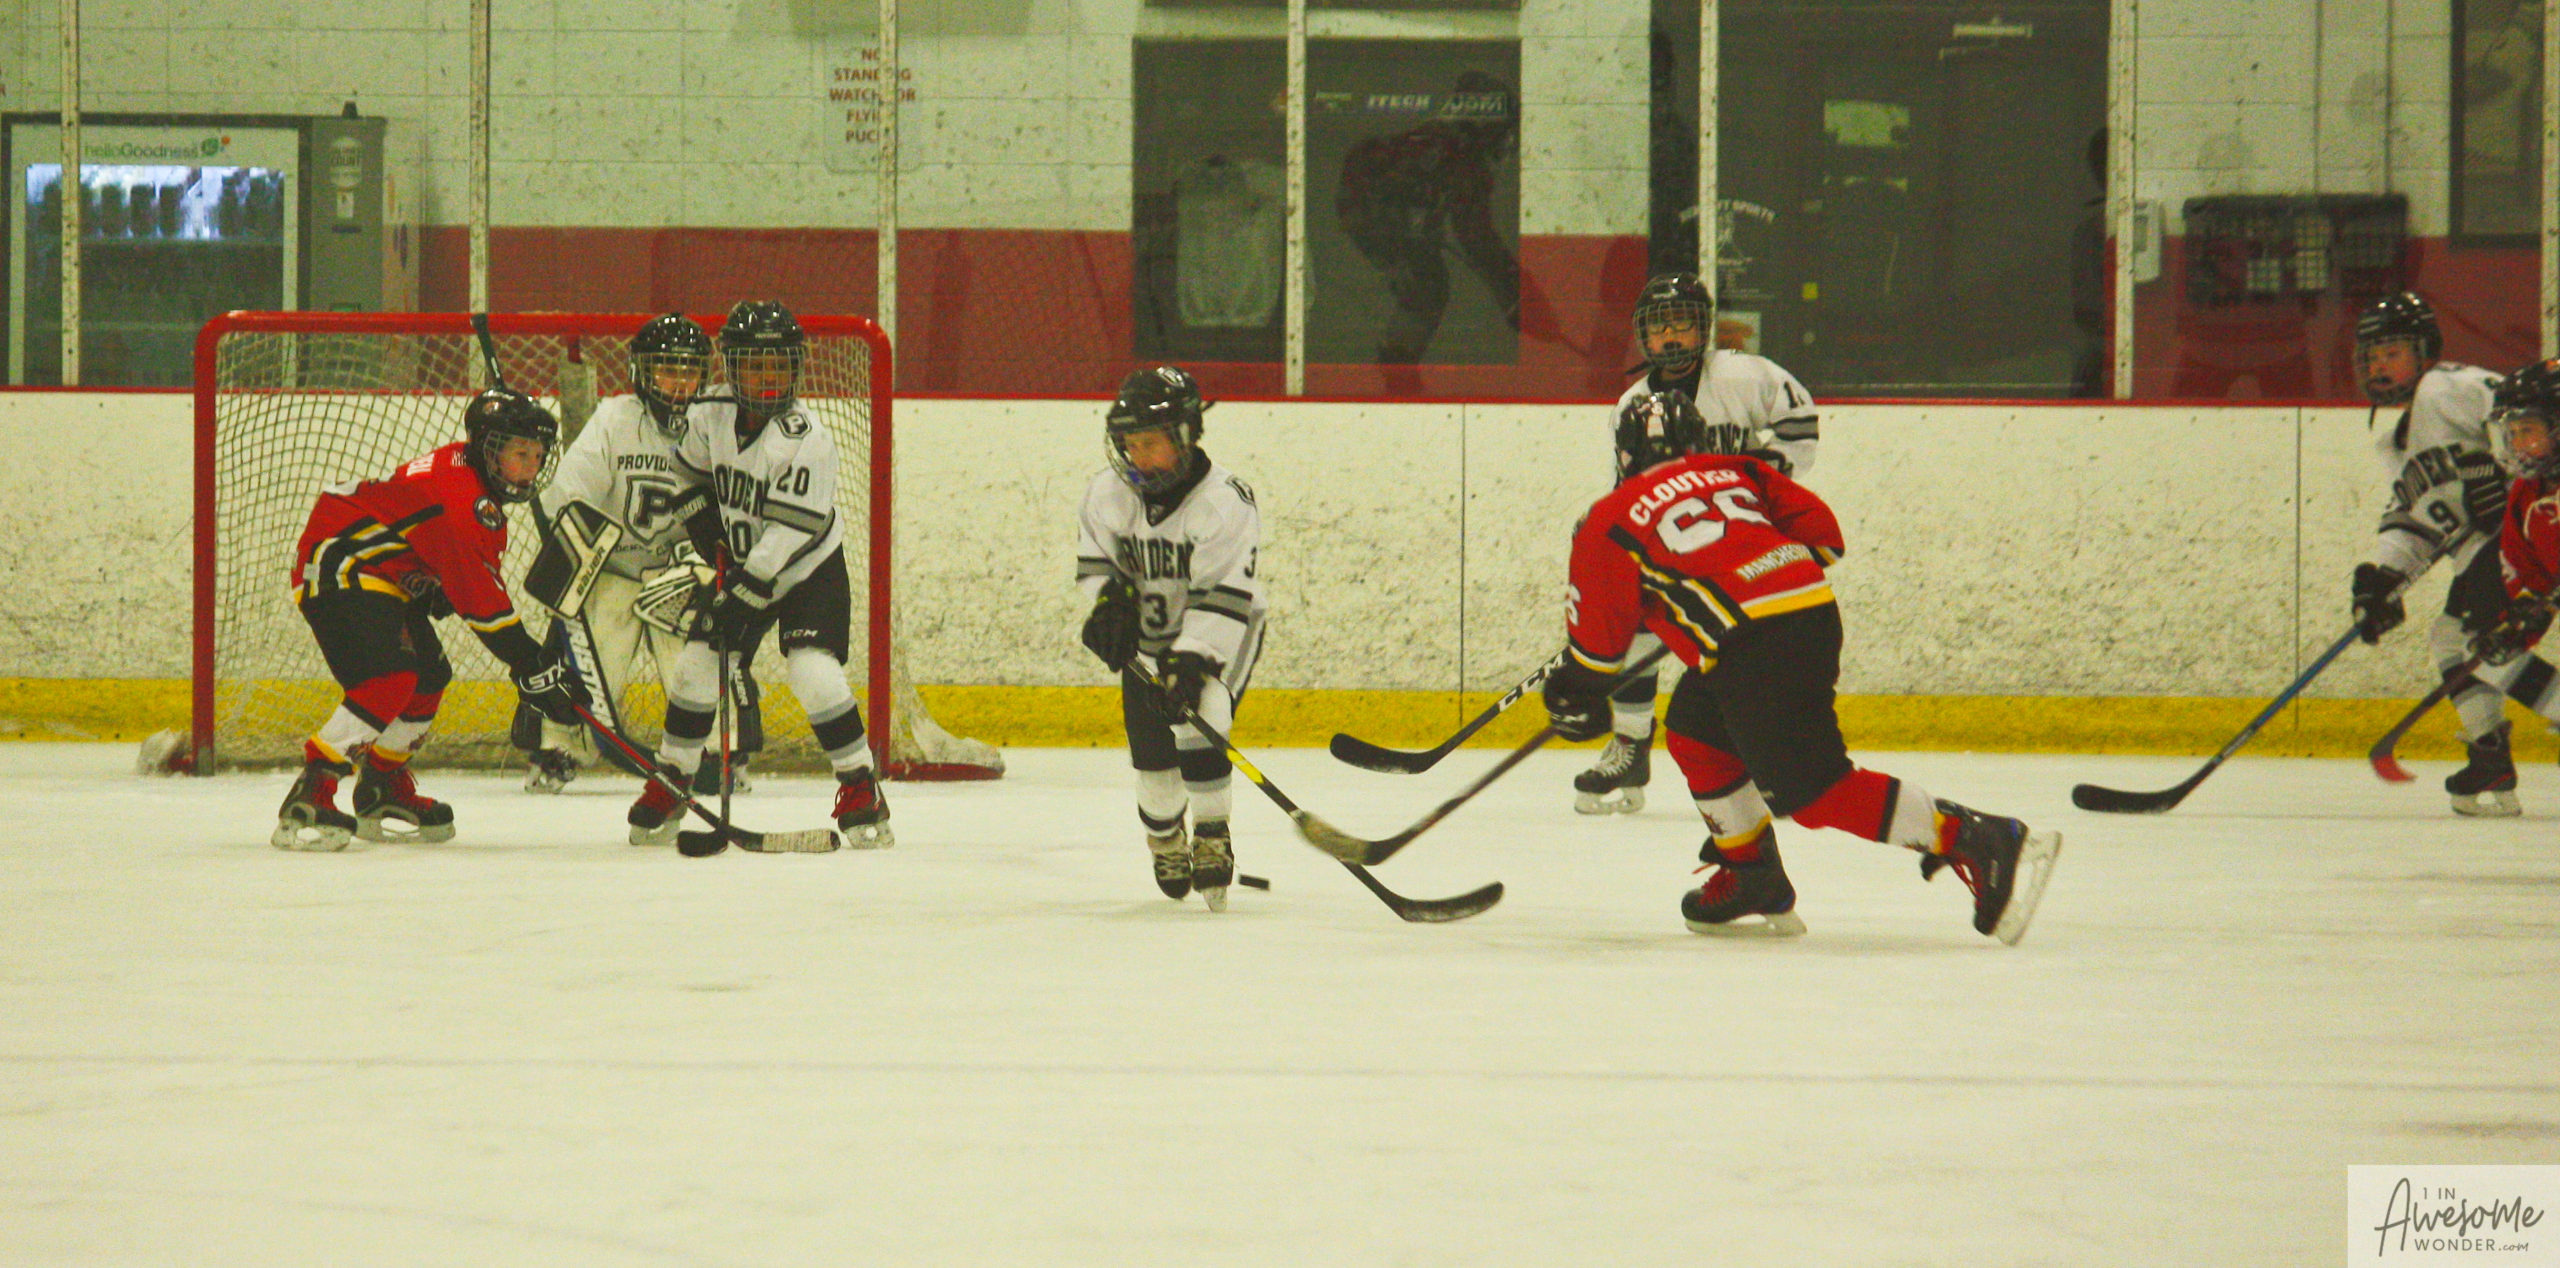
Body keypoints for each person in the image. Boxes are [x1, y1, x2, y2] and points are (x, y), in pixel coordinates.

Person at [1539, 390, 2059, 943]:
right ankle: (1751, 874)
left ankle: (1978, 837)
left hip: (1755, 646)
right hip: (1807, 614)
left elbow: (1597, 657)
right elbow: (1825, 540)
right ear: (1699, 440)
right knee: (1696, 730)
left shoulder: (1608, 518)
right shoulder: (1738, 470)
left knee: (1813, 791)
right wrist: (1742, 576)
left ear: (1623, 454)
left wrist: (1572, 691)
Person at [624, 300, 893, 848]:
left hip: (808, 568)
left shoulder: (806, 438)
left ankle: (860, 786)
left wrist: (744, 591)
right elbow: (686, 471)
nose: (769, 378)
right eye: (755, 365)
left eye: (779, 366)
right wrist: (702, 521)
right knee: (697, 665)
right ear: (731, 367)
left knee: (812, 670)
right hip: (746, 567)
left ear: (797, 368)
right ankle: (673, 777)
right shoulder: (710, 412)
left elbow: (790, 533)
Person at [272, 388, 586, 851]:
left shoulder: (465, 470)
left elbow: (423, 531)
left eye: (537, 456)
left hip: (384, 572)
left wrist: (432, 580)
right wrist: (532, 664)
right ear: (489, 450)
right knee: (389, 679)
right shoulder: (462, 502)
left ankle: (381, 784)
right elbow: (485, 607)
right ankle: (313, 788)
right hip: (342, 562)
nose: (531, 468)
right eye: (520, 454)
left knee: (428, 677)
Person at [1573, 272, 1820, 815]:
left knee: (1745, 653)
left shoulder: (1744, 375)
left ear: (1702, 327)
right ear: (1643, 336)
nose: (1670, 336)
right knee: (1639, 613)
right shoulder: (1632, 404)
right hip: (1680, 541)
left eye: (1681, 323)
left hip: (1746, 541)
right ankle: (1631, 744)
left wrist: (1753, 482)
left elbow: (1800, 428)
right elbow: (1630, 489)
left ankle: (1765, 759)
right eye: (1659, 327)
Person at [514, 313, 765, 797]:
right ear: (641, 373)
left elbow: (735, 504)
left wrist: (708, 566)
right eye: (666, 370)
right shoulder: (615, 418)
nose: (679, 383)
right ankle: (557, 746)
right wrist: (571, 566)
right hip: (613, 569)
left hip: (683, 572)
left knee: (698, 650)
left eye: (689, 371)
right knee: (596, 643)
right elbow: (570, 495)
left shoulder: (719, 424)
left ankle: (719, 749)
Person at [2346, 293, 2560, 816]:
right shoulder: (2392, 442)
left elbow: (2528, 421)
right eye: (2371, 356)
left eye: (2392, 352)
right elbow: (2419, 515)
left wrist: (2497, 476)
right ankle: (2490, 754)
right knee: (2455, 638)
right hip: (2495, 543)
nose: (2379, 365)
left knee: (2475, 642)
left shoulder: (2450, 387)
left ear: (2425, 350)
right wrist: (2385, 577)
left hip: (2519, 530)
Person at [1074, 366, 1267, 912]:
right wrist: (1109, 604)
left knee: (1202, 707)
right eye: (1130, 444)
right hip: (1151, 640)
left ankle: (1212, 833)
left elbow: (1224, 594)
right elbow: (1098, 565)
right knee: (1157, 778)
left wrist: (1193, 659)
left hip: (1224, 628)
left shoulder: (1224, 500)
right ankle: (1165, 838)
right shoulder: (1107, 493)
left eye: (1151, 443)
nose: (1138, 456)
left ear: (1186, 436)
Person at [1334, 71, 1523, 382]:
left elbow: (1472, 233)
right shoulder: (1462, 158)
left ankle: (1396, 364)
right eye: (1505, 133)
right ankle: (1396, 368)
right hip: (1375, 214)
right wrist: (1517, 299)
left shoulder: (1441, 146)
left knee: (1427, 282)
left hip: (1372, 211)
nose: (1508, 144)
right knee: (1428, 284)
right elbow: (1476, 237)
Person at [2469, 360, 2560, 728]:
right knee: (2490, 658)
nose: (2518, 444)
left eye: (2528, 430)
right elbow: (2529, 574)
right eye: (2513, 432)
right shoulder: (2525, 495)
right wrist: (2520, 624)